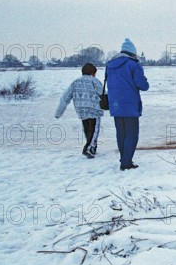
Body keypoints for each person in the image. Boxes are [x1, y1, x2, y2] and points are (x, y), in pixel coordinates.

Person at [106, 38, 150, 171]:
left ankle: (124, 158)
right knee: (132, 134)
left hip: (115, 104)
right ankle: (126, 162)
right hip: (130, 105)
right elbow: (143, 85)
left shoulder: (110, 65)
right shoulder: (133, 64)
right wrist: (144, 80)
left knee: (121, 133)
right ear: (132, 53)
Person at [55, 63, 104, 159]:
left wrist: (58, 113)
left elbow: (65, 98)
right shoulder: (95, 82)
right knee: (94, 130)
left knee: (87, 129)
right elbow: (103, 94)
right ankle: (88, 148)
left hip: (81, 109)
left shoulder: (75, 82)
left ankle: (93, 147)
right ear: (93, 73)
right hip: (94, 110)